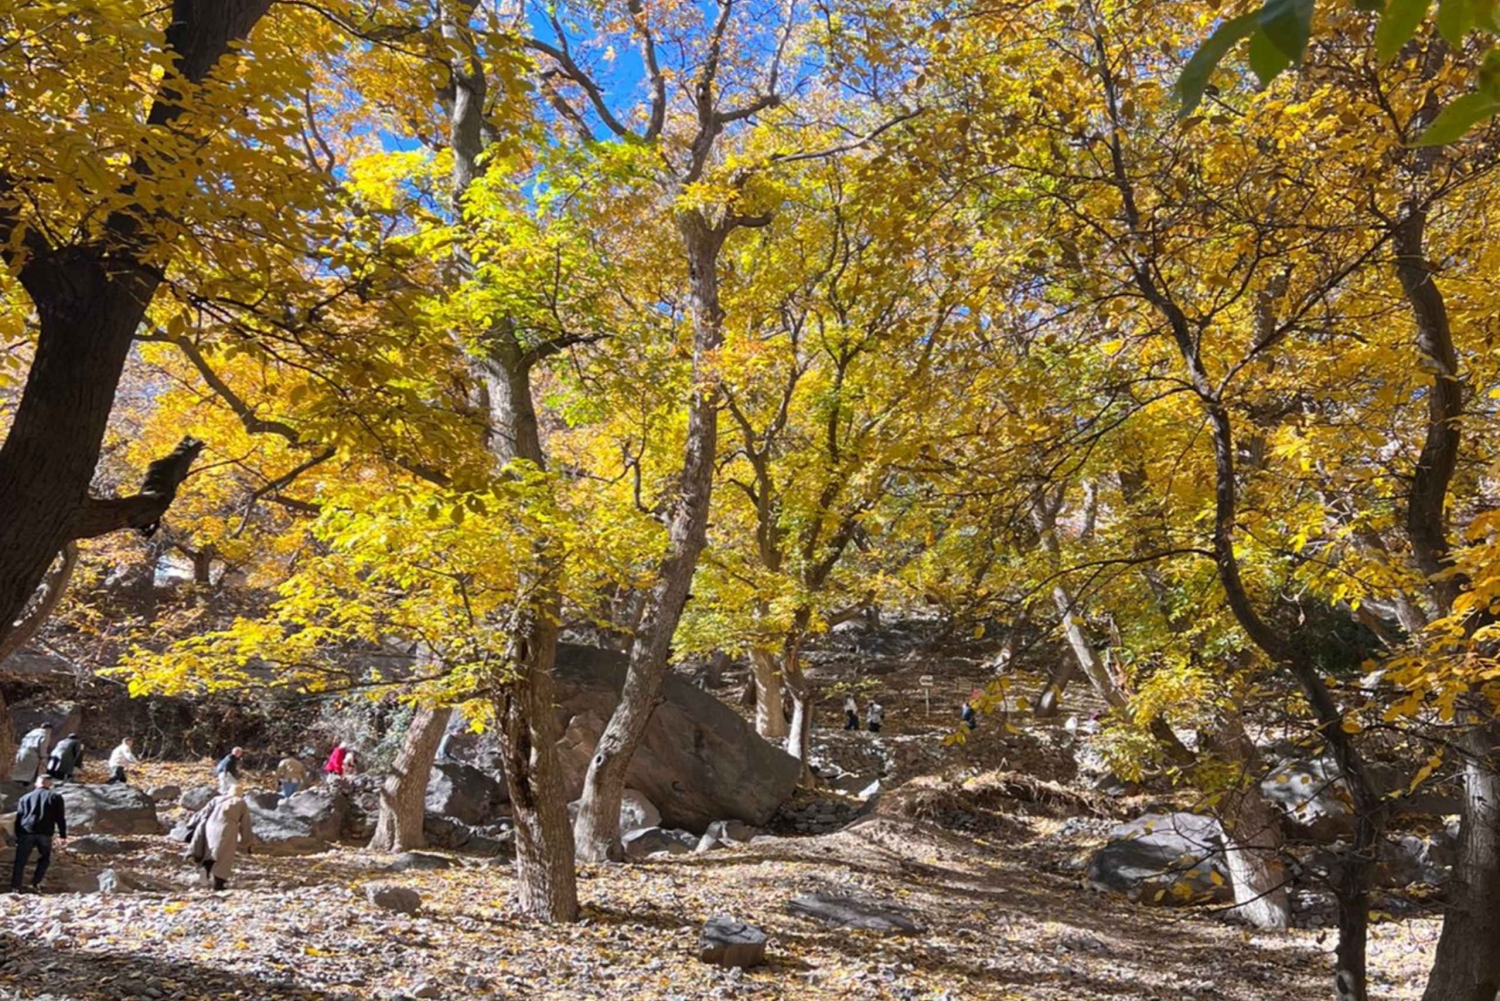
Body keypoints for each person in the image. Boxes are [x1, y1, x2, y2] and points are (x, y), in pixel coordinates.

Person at [189, 782, 253, 891]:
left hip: (210, 826)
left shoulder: (217, 799)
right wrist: (247, 842)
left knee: (209, 851)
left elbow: (203, 813)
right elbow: (245, 824)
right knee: (224, 855)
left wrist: (192, 824)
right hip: (226, 828)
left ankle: (205, 875)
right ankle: (218, 882)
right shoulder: (241, 802)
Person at [10, 774, 67, 893]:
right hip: (45, 832)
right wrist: (62, 835)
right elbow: (60, 817)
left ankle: (16, 887)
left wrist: (17, 834)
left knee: (20, 861)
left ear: (36, 783)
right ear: (50, 784)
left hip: (26, 831)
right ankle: (35, 883)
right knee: (45, 858)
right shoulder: (55, 797)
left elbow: (19, 818)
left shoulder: (25, 798)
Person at [10, 722, 53, 787]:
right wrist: (43, 756)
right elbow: (43, 745)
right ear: (49, 729)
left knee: (20, 770)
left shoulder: (32, 732)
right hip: (32, 754)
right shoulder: (45, 733)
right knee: (29, 773)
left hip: (22, 752)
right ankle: (24, 788)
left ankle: (15, 786)